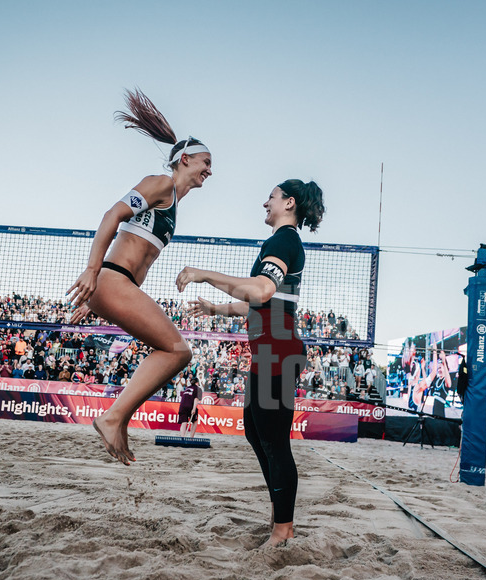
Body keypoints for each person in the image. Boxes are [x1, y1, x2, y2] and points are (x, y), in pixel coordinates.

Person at [66, 89, 212, 465]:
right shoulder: (160, 183)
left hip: (117, 286)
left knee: (173, 351)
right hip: (111, 278)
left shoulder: (174, 204)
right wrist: (92, 272)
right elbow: (110, 217)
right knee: (177, 350)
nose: (209, 170)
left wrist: (98, 304)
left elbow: (138, 260)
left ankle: (118, 418)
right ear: (184, 160)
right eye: (205, 162)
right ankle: (113, 417)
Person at [178, 178, 324, 548]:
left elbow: (260, 290)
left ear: (289, 202)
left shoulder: (284, 240)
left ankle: (283, 527)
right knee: (255, 432)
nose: (265, 203)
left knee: (273, 441)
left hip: (278, 351)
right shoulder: (280, 243)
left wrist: (204, 274)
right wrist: (214, 308)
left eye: (271, 197)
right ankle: (280, 514)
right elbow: (257, 302)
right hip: (269, 349)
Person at [178, 374, 202, 438]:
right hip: (190, 406)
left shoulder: (187, 388)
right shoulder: (198, 389)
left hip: (182, 406)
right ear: (197, 382)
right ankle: (191, 437)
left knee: (184, 422)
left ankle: (182, 437)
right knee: (195, 421)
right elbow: (196, 399)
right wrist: (194, 409)